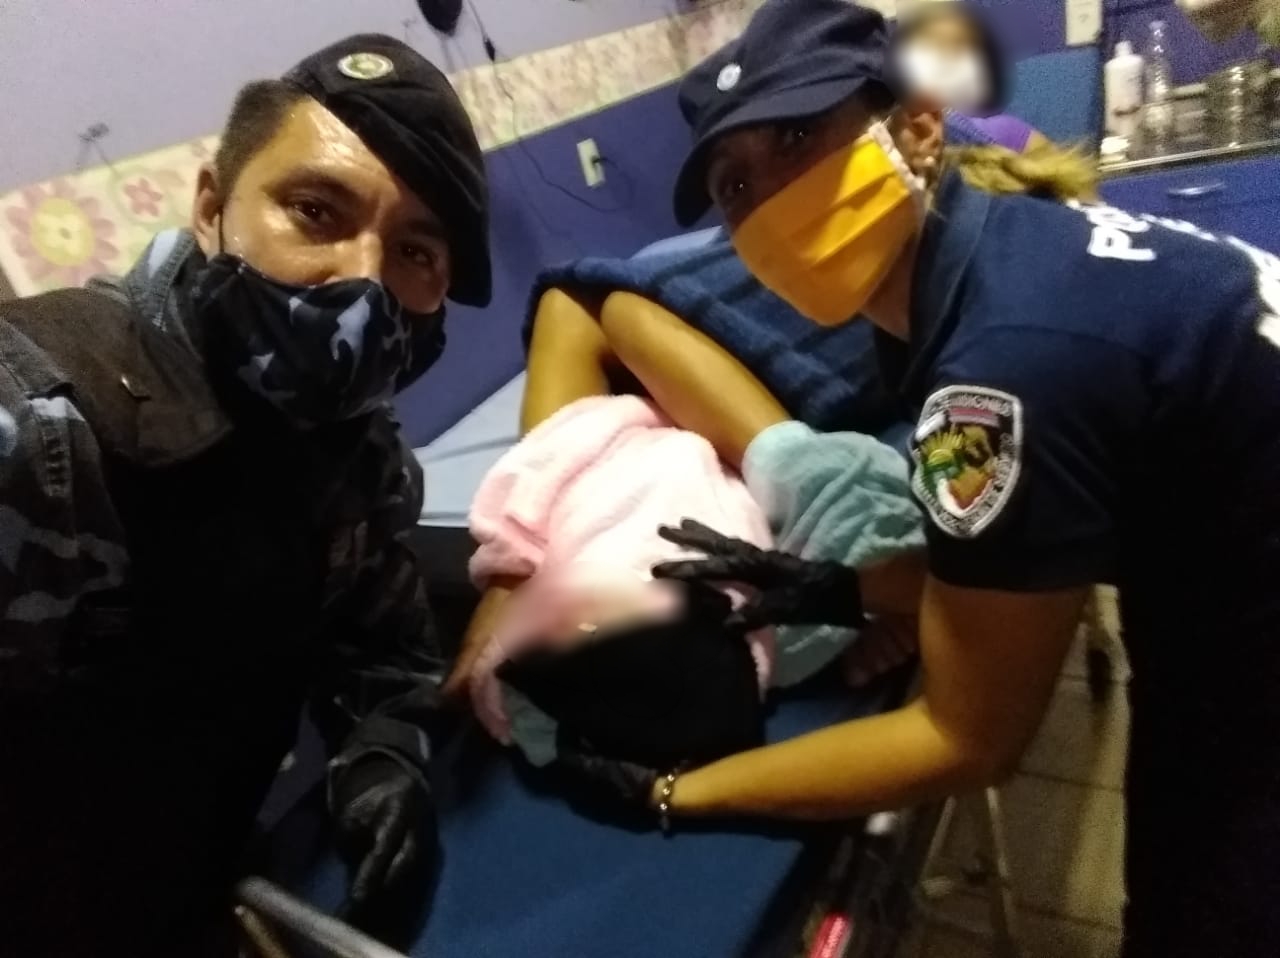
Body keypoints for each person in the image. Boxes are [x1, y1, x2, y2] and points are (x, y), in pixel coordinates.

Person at [548, 2, 1280, 956]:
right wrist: (845, 588)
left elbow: (967, 738)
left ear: (918, 127)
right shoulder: (1012, 248)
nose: (771, 203)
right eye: (736, 185)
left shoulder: (996, 373)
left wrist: (675, 791)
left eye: (798, 138)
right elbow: (1036, 534)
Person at [0, 34, 489, 957]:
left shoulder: (360, 451)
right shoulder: (44, 433)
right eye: (315, 211)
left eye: (415, 249)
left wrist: (383, 753)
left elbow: (382, 648)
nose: (363, 282)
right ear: (211, 208)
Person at [892, 0, 1048, 154]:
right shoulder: (894, 136)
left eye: (964, 48)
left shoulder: (1004, 131)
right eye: (940, 48)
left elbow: (1056, 167)